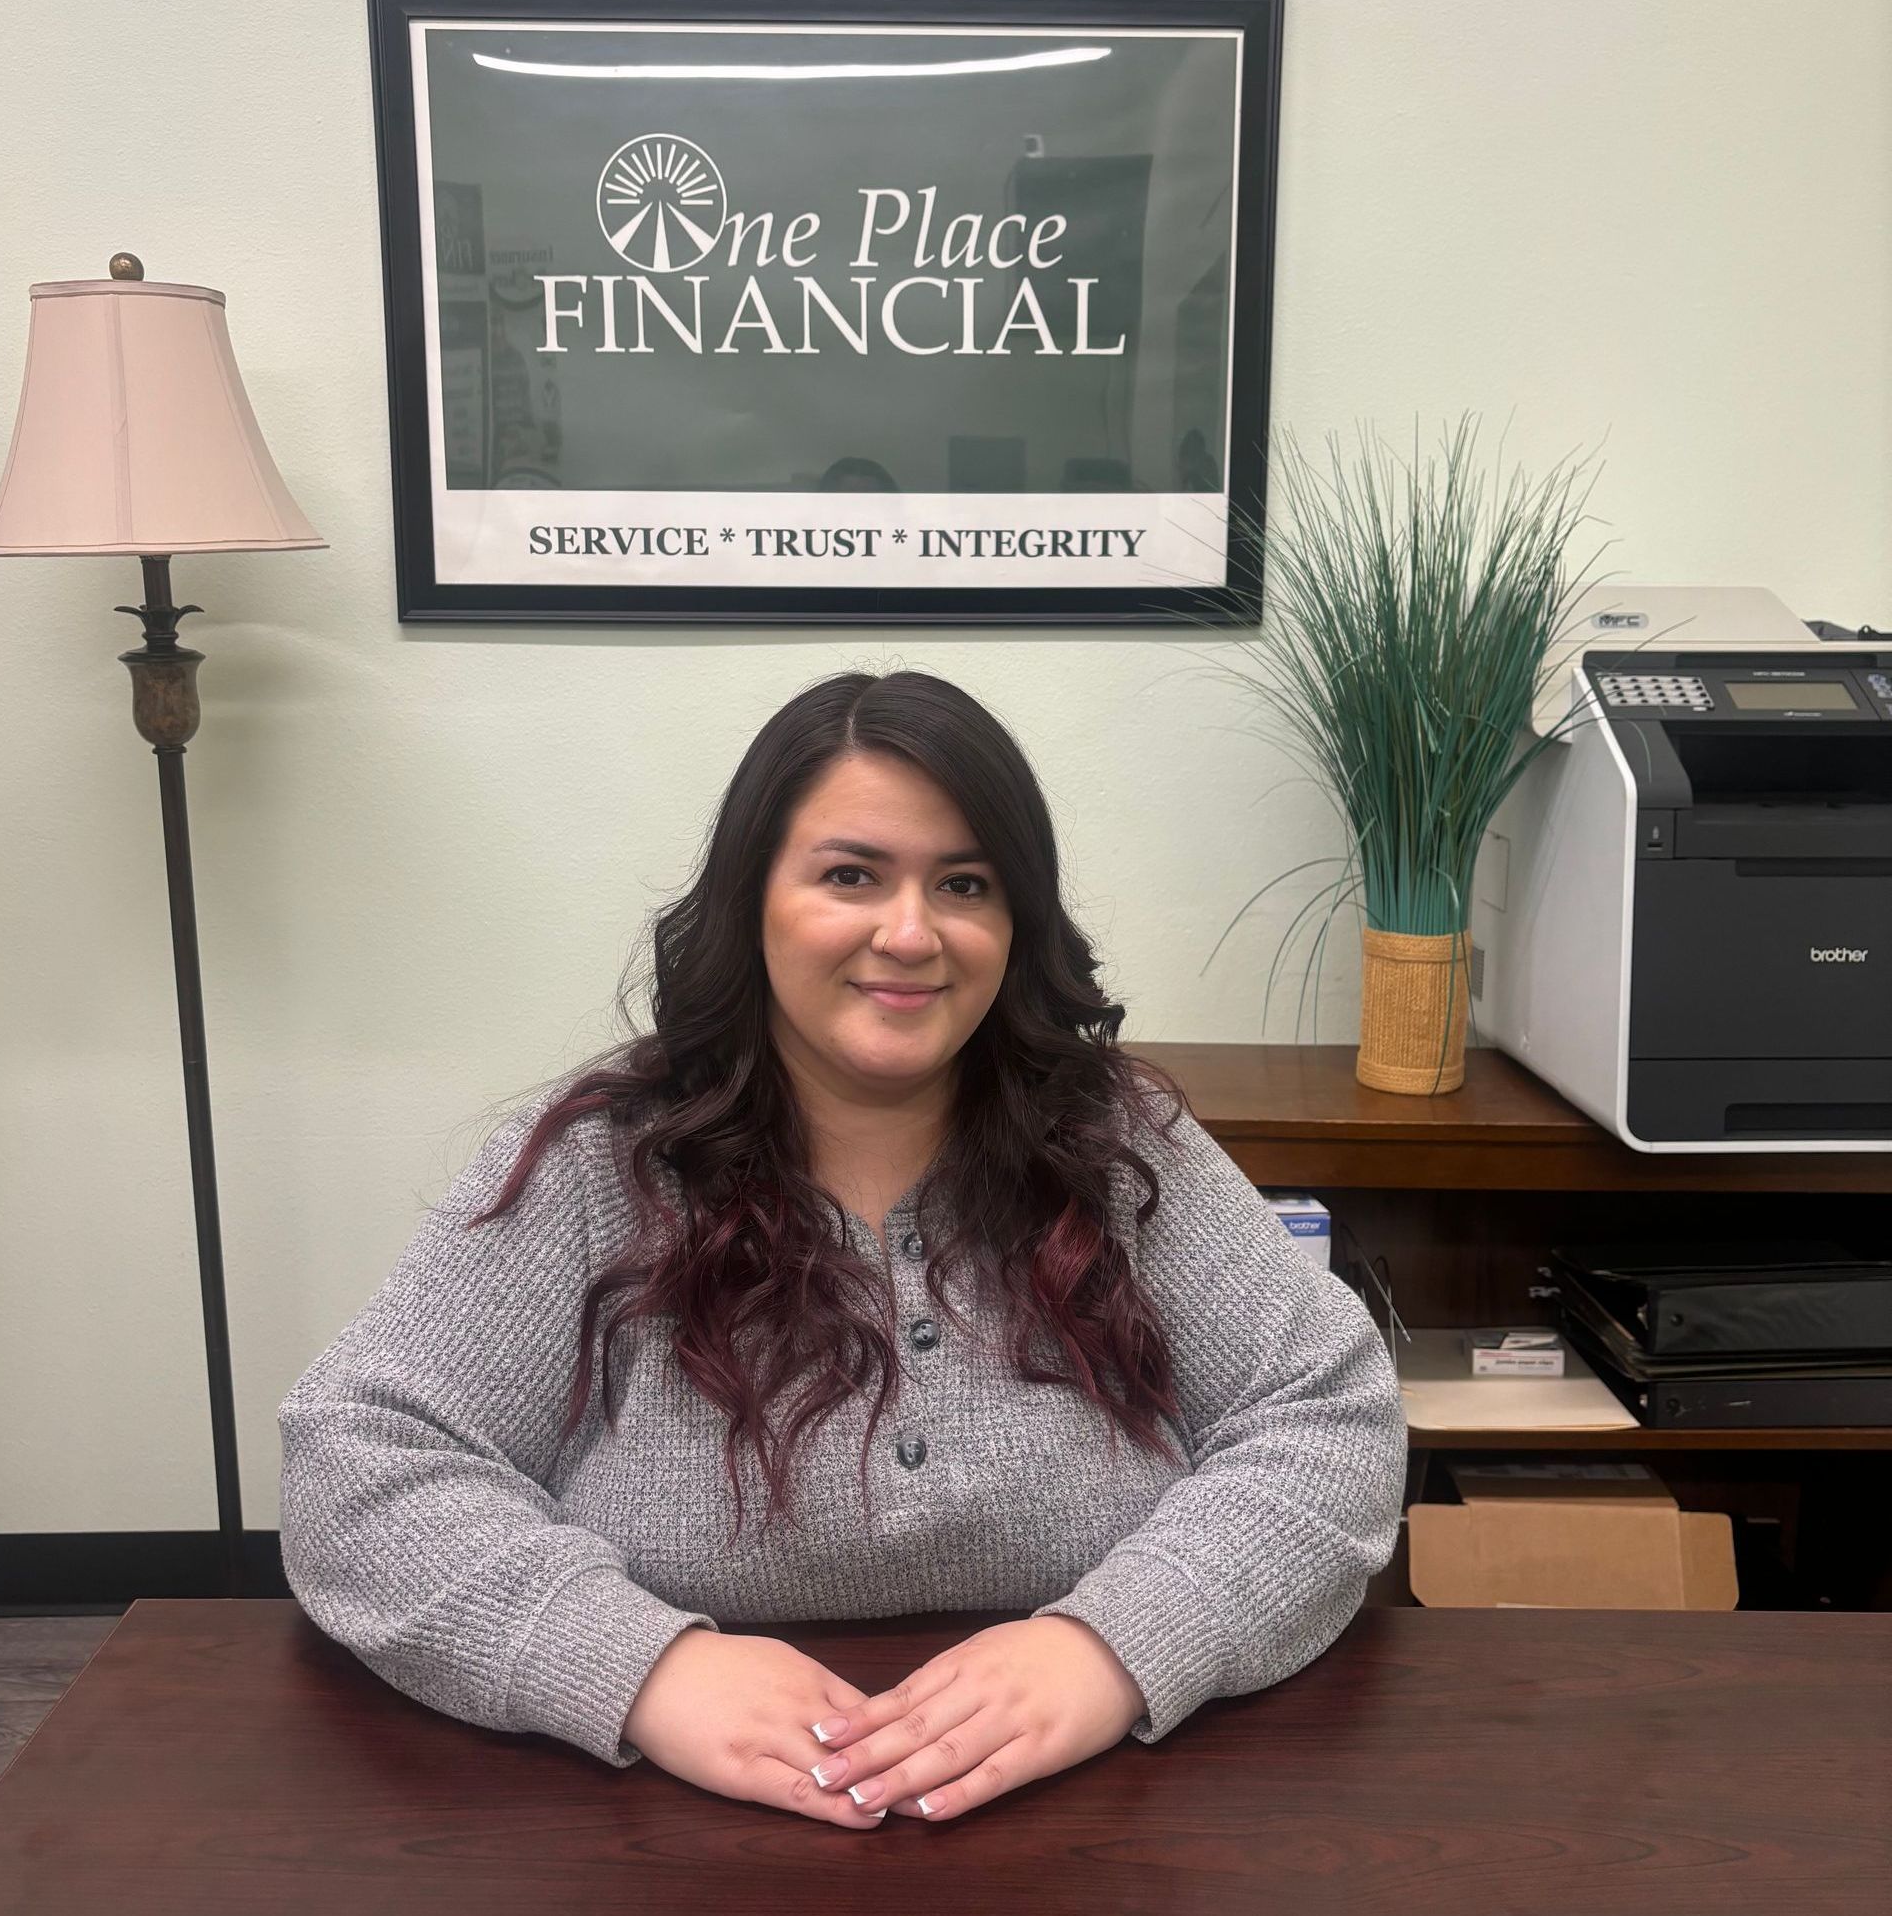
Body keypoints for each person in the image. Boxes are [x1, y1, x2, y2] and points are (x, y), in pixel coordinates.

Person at [277, 668, 1406, 1832]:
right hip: (656, 1827)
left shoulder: (1119, 1142)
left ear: (1015, 925)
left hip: (1109, 1811)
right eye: (850, 874)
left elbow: (1332, 1413)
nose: (910, 933)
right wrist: (640, 1669)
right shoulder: (595, 1161)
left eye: (964, 883)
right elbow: (354, 1462)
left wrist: (1116, 1645)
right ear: (751, 900)